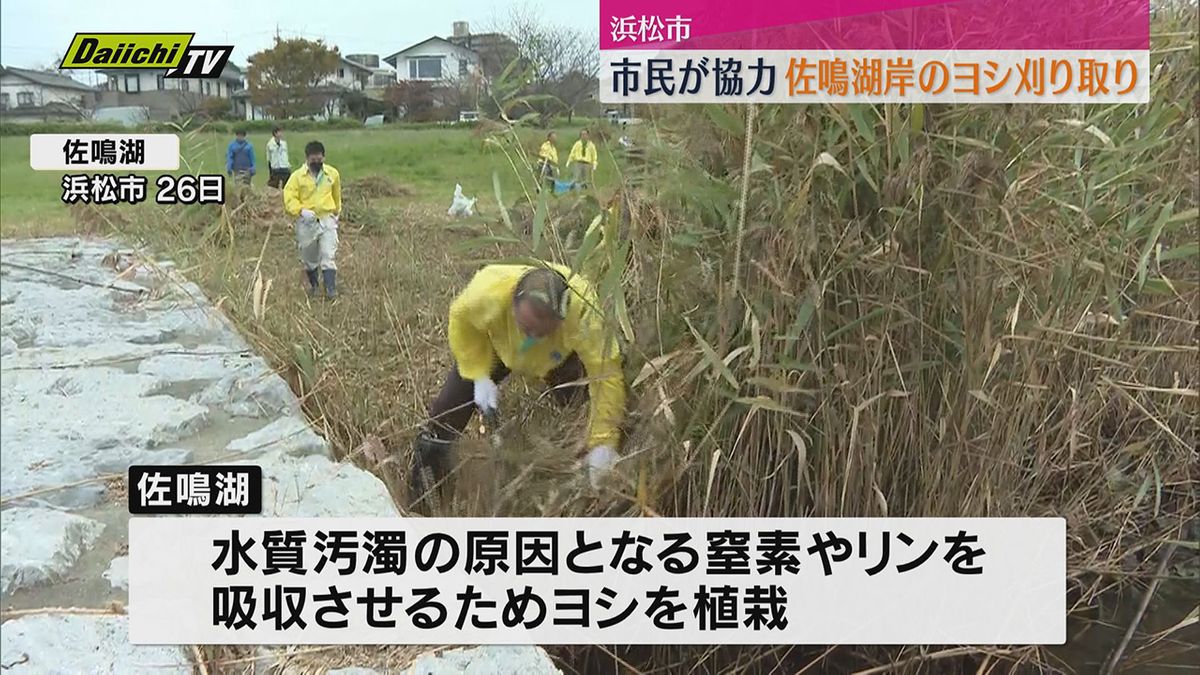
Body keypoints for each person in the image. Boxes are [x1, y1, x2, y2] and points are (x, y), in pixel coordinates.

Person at [410, 263, 627, 509]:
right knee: (445, 414)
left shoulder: (583, 312)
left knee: (584, 407)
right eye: (527, 327)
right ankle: (422, 501)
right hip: (498, 347)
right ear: (513, 302)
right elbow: (462, 321)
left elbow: (606, 374)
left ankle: (576, 487)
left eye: (540, 331)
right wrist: (478, 373)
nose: (530, 337)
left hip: (558, 357)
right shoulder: (488, 291)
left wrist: (603, 442)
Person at [283, 141, 342, 300]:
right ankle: (314, 286)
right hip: (307, 222)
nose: (316, 162)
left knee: (328, 255)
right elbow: (289, 198)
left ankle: (331, 290)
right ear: (307, 158)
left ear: (324, 157)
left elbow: (336, 195)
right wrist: (300, 210)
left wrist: (336, 212)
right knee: (310, 259)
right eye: (313, 160)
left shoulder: (332, 174)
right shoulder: (297, 177)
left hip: (326, 220)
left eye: (319, 159)